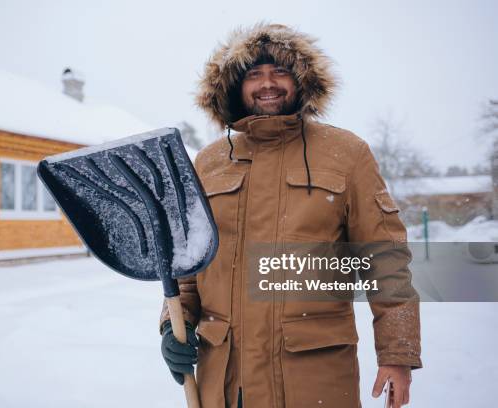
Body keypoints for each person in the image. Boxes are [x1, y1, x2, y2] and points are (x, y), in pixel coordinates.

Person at [159, 23, 422, 408]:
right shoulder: (209, 162)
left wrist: (397, 355)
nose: (268, 83)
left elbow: (387, 261)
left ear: (301, 80)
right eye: (254, 74)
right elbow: (187, 270)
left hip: (313, 381)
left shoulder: (346, 153)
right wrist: (171, 327)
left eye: (280, 71)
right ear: (236, 85)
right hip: (228, 383)